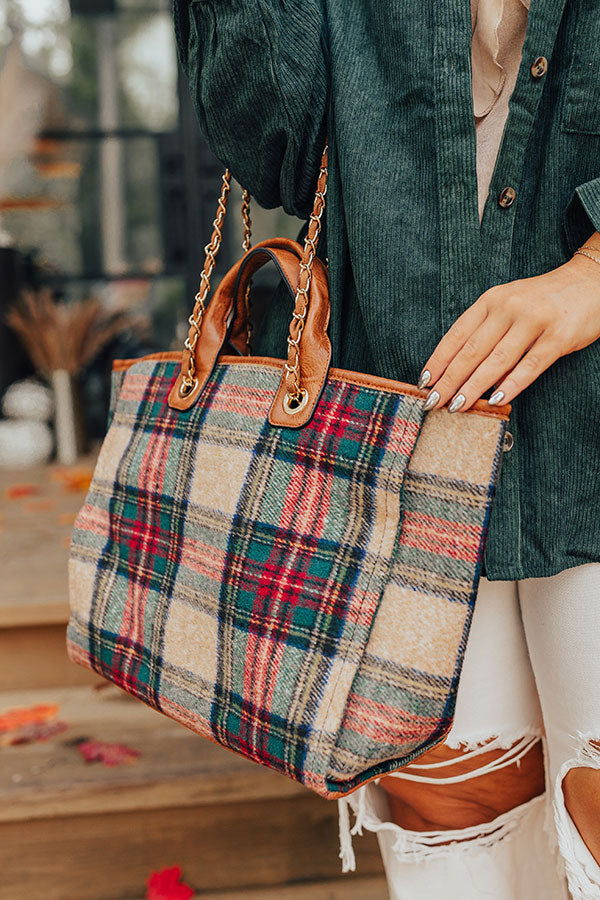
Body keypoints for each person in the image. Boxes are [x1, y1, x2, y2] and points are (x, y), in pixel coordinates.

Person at [171, 0, 600, 896]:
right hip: (399, 434)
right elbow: (277, 146)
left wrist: (590, 277)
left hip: (588, 422)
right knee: (450, 814)